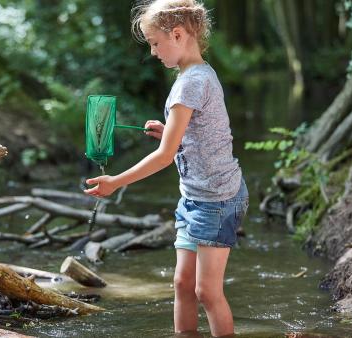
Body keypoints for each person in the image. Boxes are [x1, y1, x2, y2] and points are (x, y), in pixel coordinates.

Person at [83, 0, 248, 336]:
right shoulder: (198, 73)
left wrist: (115, 181)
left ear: (177, 35)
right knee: (182, 283)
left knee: (206, 291)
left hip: (216, 201)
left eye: (156, 43)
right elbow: (199, 132)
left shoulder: (190, 82)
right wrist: (171, 132)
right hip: (195, 199)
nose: (154, 52)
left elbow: (163, 156)